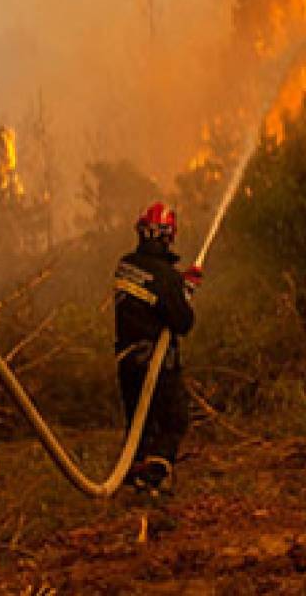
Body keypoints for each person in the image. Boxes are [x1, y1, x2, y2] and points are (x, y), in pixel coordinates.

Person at [112, 201, 202, 496]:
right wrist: (183, 292)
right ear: (167, 237)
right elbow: (183, 323)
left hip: (127, 360)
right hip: (156, 362)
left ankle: (137, 474)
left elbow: (149, 300)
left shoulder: (125, 265)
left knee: (140, 423)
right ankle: (153, 474)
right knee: (174, 419)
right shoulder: (167, 276)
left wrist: (180, 288)